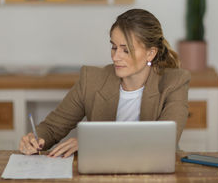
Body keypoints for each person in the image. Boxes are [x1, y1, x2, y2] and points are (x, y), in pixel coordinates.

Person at [19, 9, 191, 157]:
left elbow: (163, 142)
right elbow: (52, 128)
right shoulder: (91, 80)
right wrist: (35, 139)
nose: (116, 56)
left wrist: (93, 143)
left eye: (126, 50)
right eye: (114, 47)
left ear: (150, 53)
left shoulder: (174, 83)